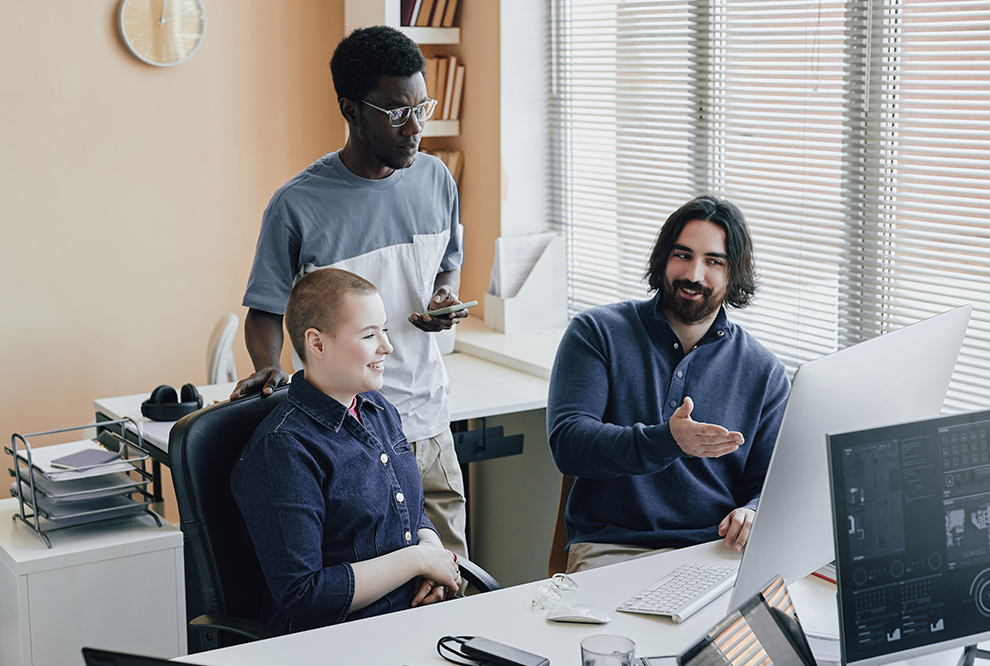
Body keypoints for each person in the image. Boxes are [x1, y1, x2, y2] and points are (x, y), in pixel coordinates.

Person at [232, 26, 468, 558]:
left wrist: (443, 300)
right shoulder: (297, 206)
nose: (414, 128)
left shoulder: (437, 181)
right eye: (396, 112)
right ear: (351, 109)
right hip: (345, 437)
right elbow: (265, 310)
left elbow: (447, 270)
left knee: (453, 584)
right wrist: (269, 364)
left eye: (421, 107)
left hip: (428, 424)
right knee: (373, 597)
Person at [547, 194, 790, 574]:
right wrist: (667, 440)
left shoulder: (765, 371)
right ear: (663, 259)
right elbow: (569, 445)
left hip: (717, 554)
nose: (694, 275)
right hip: (614, 549)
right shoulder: (596, 333)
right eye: (682, 255)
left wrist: (753, 512)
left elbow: (771, 484)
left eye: (714, 262)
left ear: (733, 275)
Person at [231, 268, 461, 634]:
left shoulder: (377, 407)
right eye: (370, 335)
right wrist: (418, 560)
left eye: (383, 330)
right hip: (340, 639)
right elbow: (303, 595)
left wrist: (431, 551)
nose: (387, 346)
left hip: (411, 621)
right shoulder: (283, 450)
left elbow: (407, 509)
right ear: (317, 344)